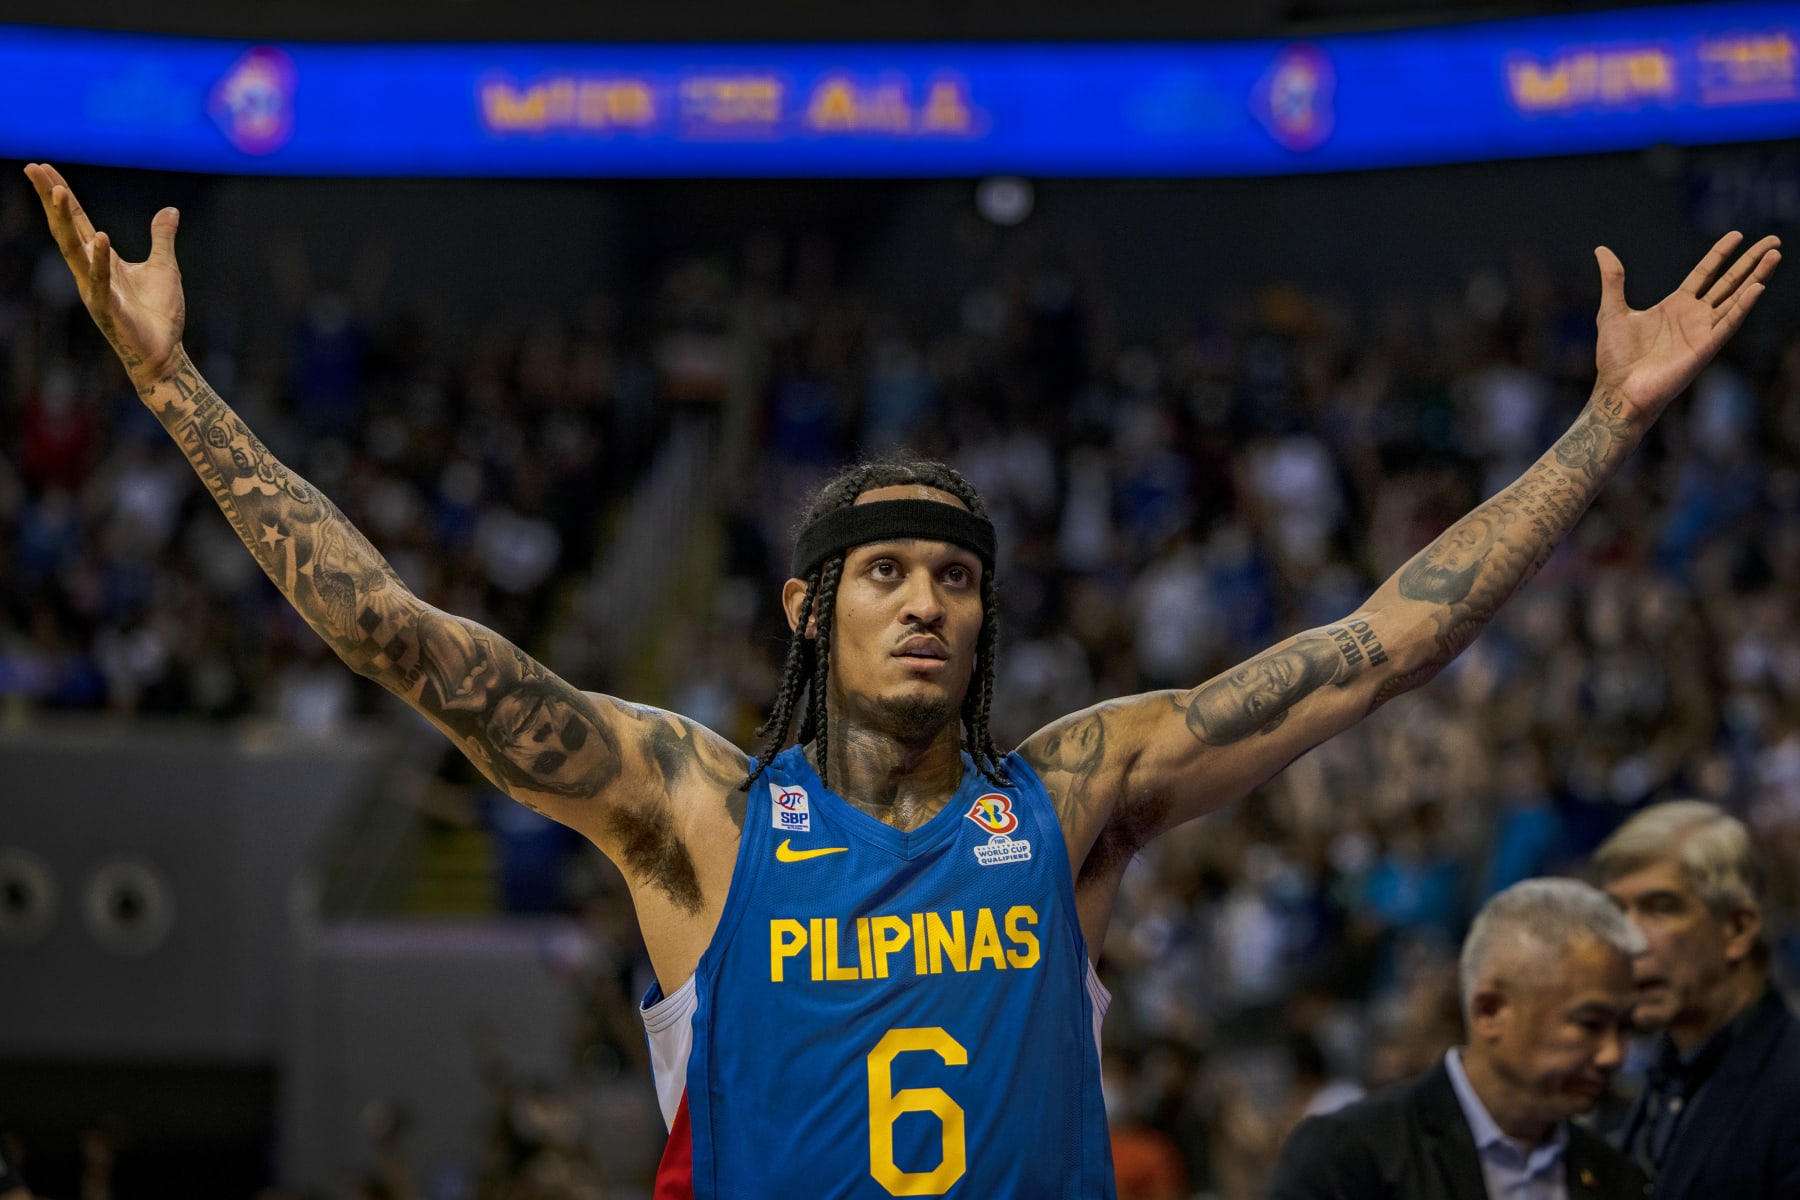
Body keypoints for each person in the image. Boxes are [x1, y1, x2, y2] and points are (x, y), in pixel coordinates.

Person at [24, 160, 1779, 1199]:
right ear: (810, 607)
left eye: (955, 575)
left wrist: (1605, 425)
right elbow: (398, 632)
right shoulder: (696, 810)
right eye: (886, 573)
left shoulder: (1073, 794)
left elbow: (1393, 638)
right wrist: (179, 396)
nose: (926, 602)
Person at [1266, 878, 1649, 1200]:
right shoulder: (1349, 1156)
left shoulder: (1618, 1180)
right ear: (1490, 1011)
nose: (1613, 1055)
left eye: (1625, 1028)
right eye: (1589, 1024)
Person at [1593, 801, 1800, 1199]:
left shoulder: (1790, 1081)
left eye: (1660, 908)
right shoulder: (1662, 1076)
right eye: (1617, 913)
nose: (1628, 941)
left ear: (1738, 928)